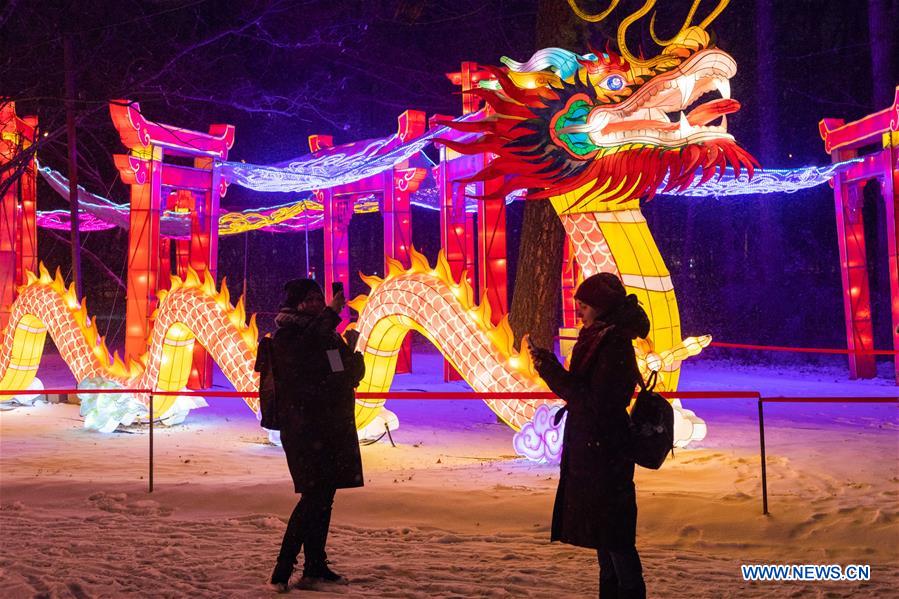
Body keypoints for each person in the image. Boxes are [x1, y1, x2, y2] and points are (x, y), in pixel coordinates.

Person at [528, 272, 650, 599]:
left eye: (583, 305)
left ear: (600, 305)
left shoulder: (613, 345)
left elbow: (594, 401)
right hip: (594, 450)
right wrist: (548, 365)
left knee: (616, 540)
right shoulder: (598, 337)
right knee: (605, 540)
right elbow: (585, 393)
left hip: (606, 451)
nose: (578, 310)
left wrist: (551, 370)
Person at [269, 279, 365, 591]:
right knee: (313, 497)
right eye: (308, 300)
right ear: (295, 304)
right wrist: (330, 316)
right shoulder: (288, 336)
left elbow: (344, 375)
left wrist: (352, 354)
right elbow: (305, 360)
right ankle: (283, 569)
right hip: (305, 429)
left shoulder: (325, 336)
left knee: (324, 498)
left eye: (318, 299)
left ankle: (315, 567)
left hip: (331, 427)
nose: (314, 304)